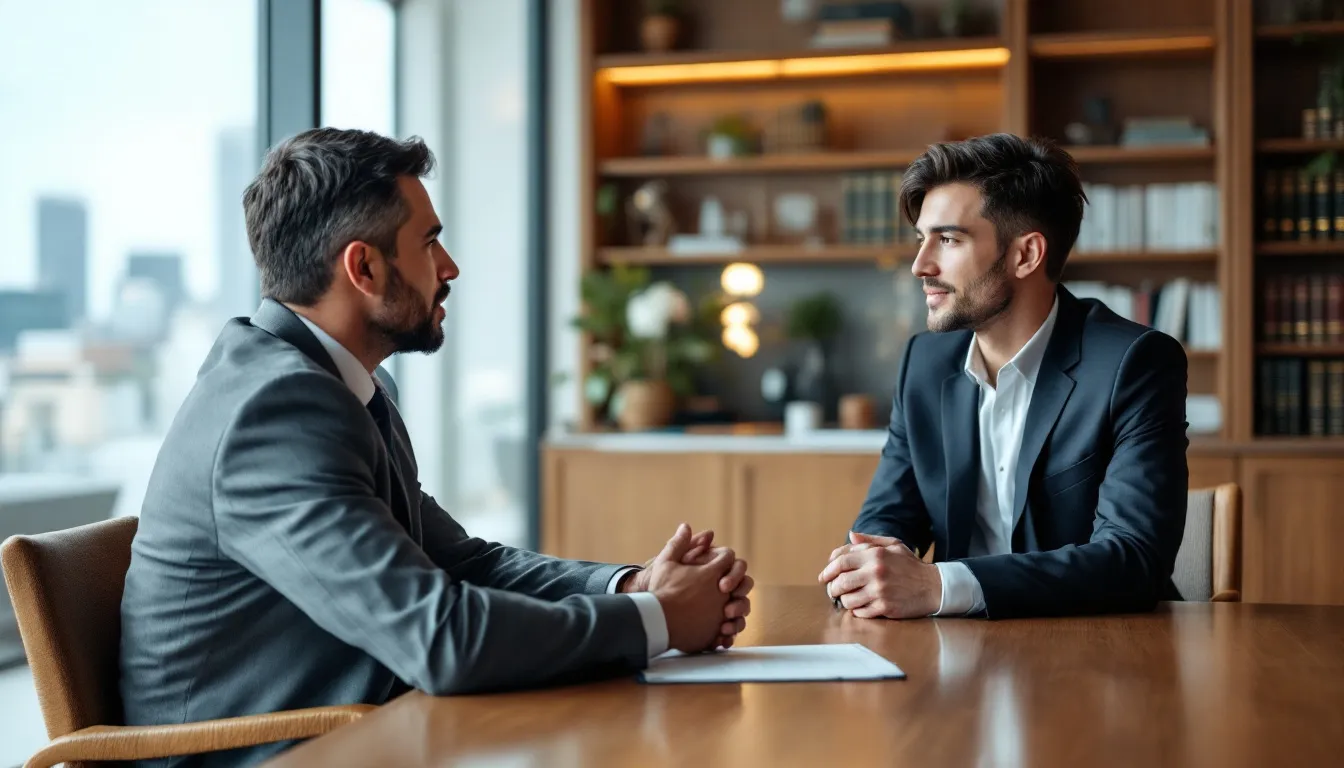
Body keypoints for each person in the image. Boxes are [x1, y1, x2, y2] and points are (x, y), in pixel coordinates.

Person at [118, 127, 753, 768]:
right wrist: (661, 620)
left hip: (357, 732)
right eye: (428, 242)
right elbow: (442, 639)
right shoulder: (275, 412)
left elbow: (465, 563)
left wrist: (634, 587)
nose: (449, 267)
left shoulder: (341, 387)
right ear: (364, 268)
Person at [818, 133, 1188, 620]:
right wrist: (865, 569)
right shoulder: (925, 363)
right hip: (953, 649)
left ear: (1026, 255)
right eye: (921, 239)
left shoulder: (1133, 364)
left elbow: (1133, 561)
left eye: (948, 240)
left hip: (1098, 646)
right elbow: (887, 520)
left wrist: (939, 585)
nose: (920, 265)